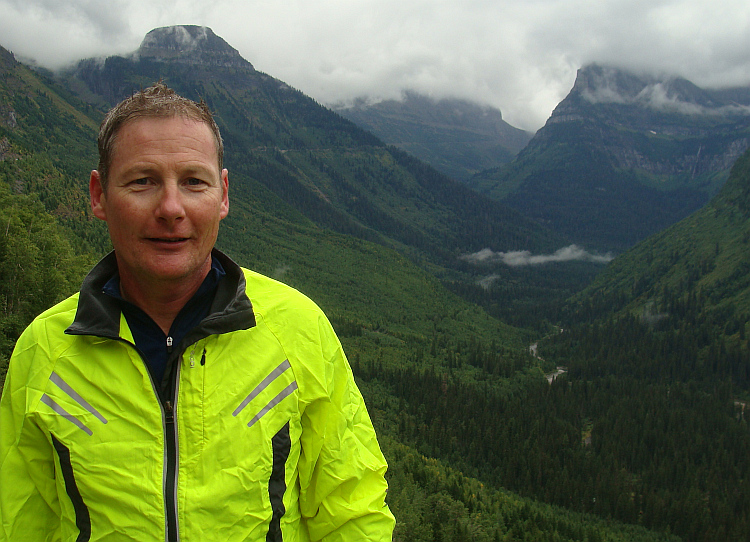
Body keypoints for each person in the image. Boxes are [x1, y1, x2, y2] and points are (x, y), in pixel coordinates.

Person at [0, 83, 395, 541]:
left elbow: (352, 510)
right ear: (99, 196)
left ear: (222, 195)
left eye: (193, 181)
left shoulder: (298, 330)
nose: (171, 208)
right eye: (142, 181)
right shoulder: (45, 352)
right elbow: (20, 520)